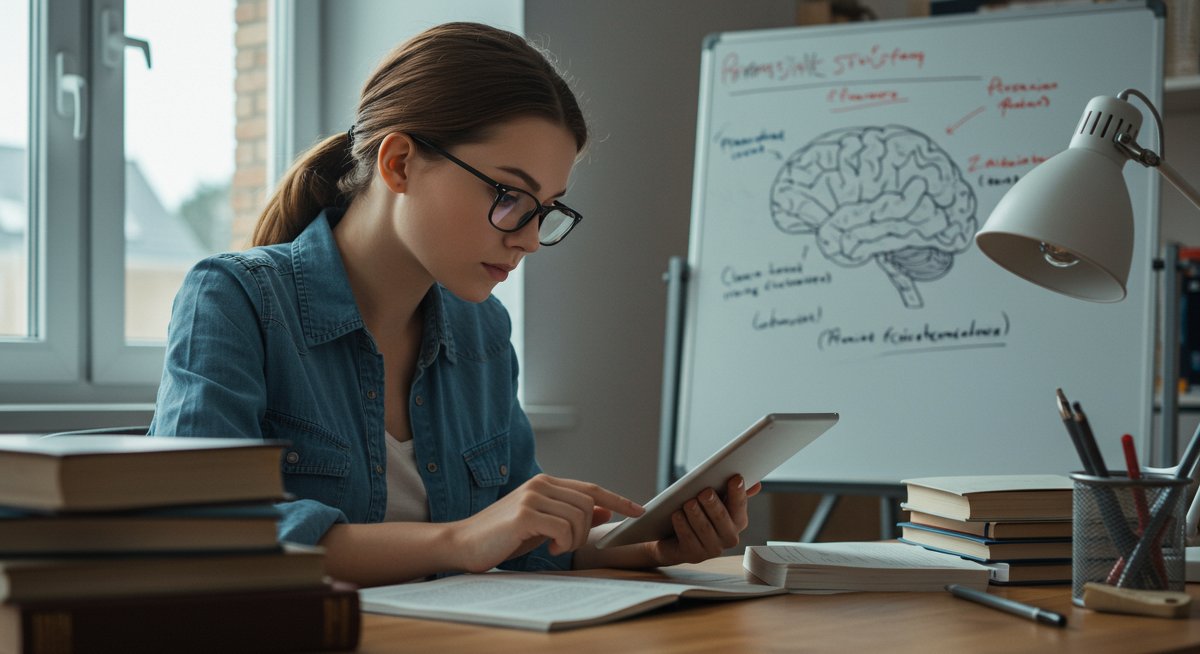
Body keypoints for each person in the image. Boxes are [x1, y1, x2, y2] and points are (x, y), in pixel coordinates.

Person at [149, 22, 759, 586]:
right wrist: (460, 540)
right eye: (509, 195)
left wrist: (652, 545)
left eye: (546, 211)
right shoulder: (235, 299)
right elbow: (201, 531)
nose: (528, 239)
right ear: (399, 164)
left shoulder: (482, 330)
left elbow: (520, 542)